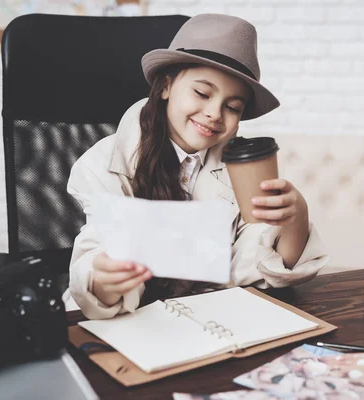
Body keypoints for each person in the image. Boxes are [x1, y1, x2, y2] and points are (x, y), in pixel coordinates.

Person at [66, 13, 328, 320]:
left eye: (232, 107)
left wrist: (296, 216)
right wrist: (102, 279)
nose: (215, 113)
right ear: (165, 86)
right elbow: (95, 251)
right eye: (201, 93)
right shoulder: (103, 164)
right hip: (123, 322)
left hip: (206, 320)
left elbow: (254, 270)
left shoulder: (241, 169)